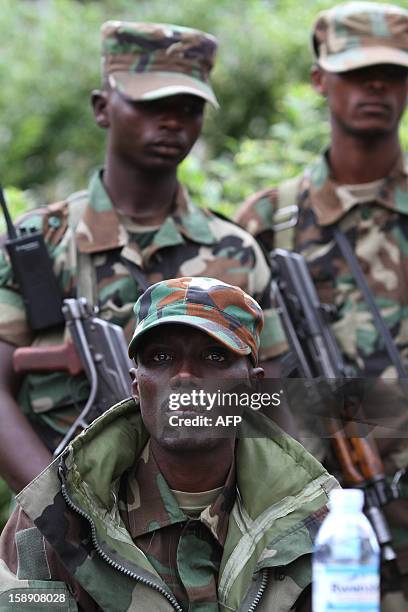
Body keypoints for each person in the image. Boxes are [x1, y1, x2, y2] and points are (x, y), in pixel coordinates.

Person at [0, 21, 286, 495]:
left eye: (189, 107)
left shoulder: (235, 251)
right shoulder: (43, 244)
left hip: (211, 526)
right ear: (102, 108)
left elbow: (272, 398)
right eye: (151, 104)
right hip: (67, 530)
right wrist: (59, 508)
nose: (172, 121)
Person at [0, 276, 337, 611]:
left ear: (252, 386)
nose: (184, 376)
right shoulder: (58, 516)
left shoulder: (313, 519)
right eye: (160, 358)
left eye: (215, 357)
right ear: (136, 385)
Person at [235, 1, 408, 605]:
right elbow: (235, 381)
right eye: (358, 72)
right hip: (310, 539)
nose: (378, 86)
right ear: (319, 80)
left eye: (392, 72)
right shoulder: (266, 222)